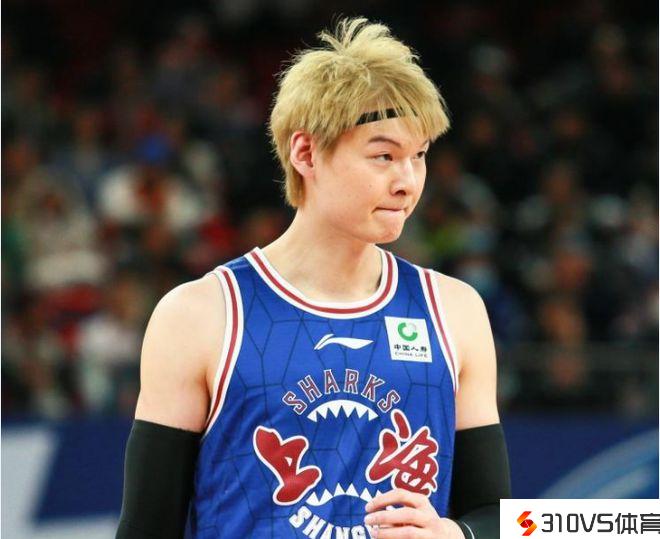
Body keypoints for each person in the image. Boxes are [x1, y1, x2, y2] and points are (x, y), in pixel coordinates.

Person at [117, 17, 510, 539]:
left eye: (419, 156)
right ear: (305, 153)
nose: (407, 181)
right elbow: (146, 529)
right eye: (384, 156)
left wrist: (456, 535)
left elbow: (498, 517)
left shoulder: (455, 310)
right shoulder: (201, 315)